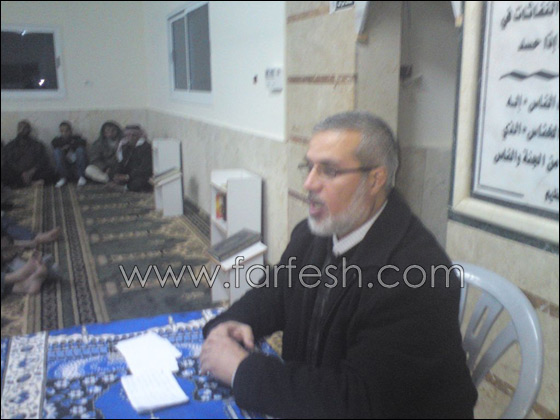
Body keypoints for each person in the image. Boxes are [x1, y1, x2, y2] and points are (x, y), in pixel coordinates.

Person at [200, 111, 477, 418]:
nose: (309, 183)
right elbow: (275, 294)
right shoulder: (313, 235)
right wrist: (229, 325)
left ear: (375, 180)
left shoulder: (416, 275)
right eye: (309, 167)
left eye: (329, 171)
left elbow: (357, 403)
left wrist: (242, 370)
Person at [1, 120, 56, 188]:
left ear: (29, 130)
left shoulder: (37, 145)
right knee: (4, 172)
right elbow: (8, 161)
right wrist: (21, 173)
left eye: (25, 128)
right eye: (21, 128)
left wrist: (31, 172)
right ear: (18, 130)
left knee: (51, 173)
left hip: (34, 173)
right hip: (17, 174)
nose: (22, 130)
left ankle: (23, 184)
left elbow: (43, 160)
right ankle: (31, 184)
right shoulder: (10, 146)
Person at [108, 124, 153, 192]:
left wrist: (128, 176)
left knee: (142, 181)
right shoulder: (125, 146)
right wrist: (117, 174)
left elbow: (145, 168)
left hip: (139, 174)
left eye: (134, 135)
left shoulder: (146, 147)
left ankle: (125, 188)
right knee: (111, 171)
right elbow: (121, 162)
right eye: (128, 135)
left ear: (139, 136)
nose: (131, 137)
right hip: (128, 174)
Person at [51, 121, 88, 188]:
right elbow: (54, 144)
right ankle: (62, 177)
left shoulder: (77, 138)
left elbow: (83, 143)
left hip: (76, 166)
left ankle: (81, 177)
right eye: (62, 131)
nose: (64, 133)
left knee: (80, 150)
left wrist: (69, 145)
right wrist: (64, 148)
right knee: (57, 152)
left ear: (70, 131)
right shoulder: (57, 140)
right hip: (65, 167)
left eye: (66, 131)